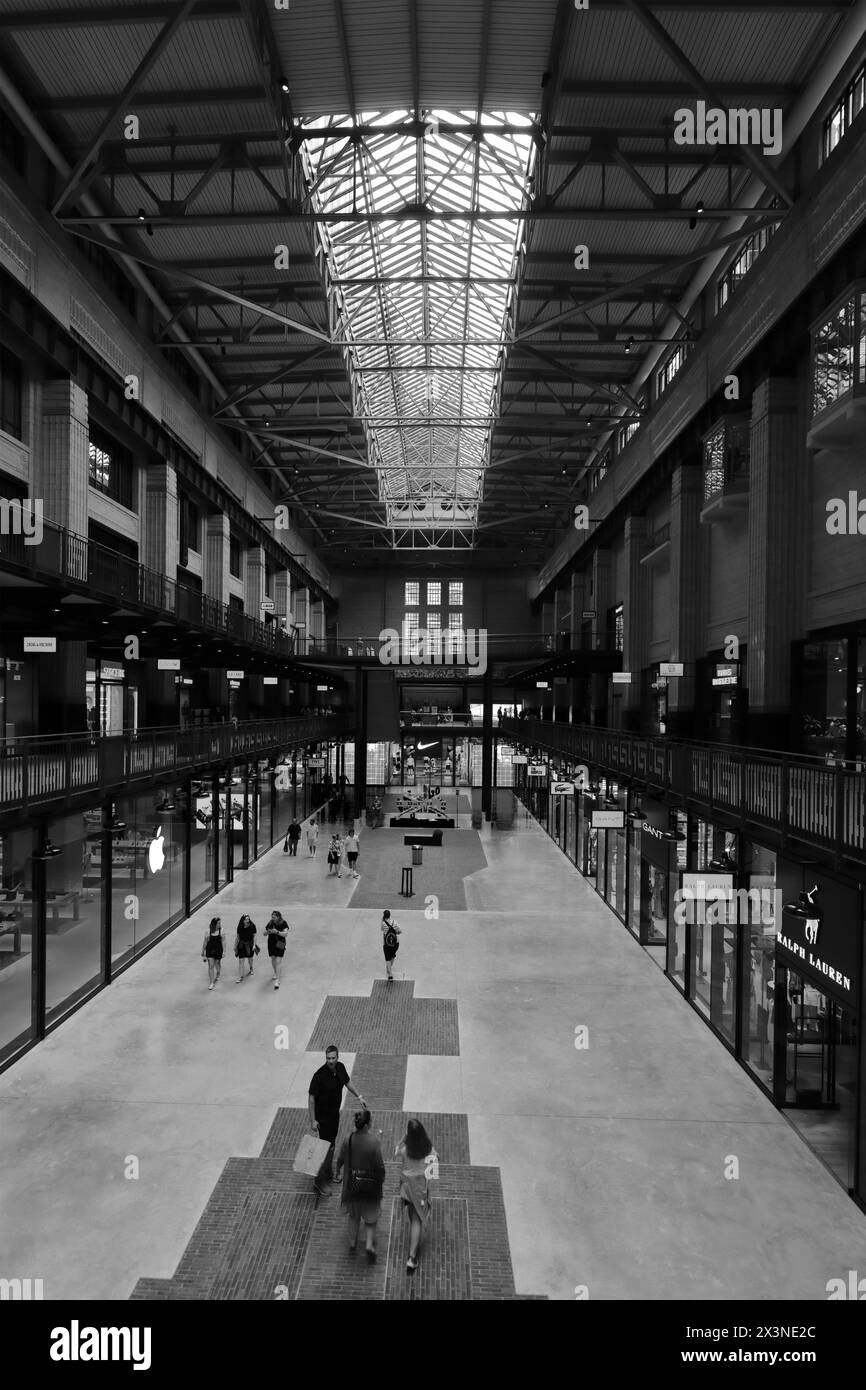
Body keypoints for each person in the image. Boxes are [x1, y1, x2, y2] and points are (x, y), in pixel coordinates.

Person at [308, 1046, 366, 1198]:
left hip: (334, 1115)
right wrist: (313, 1120)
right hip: (323, 1119)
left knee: (331, 1145)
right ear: (326, 1058)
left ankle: (327, 1172)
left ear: (337, 1057)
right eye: (328, 1058)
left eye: (333, 1058)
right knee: (325, 1149)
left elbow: (347, 1082)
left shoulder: (340, 1068)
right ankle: (319, 1181)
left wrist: (359, 1097)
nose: (331, 1061)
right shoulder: (319, 1076)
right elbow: (311, 1098)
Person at [335, 1109, 386, 1263]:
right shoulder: (374, 1142)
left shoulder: (348, 1139)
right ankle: (369, 1245)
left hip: (352, 1185)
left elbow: (341, 1158)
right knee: (371, 1218)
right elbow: (379, 1165)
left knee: (354, 1216)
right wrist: (381, 1177)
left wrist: (337, 1169)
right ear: (367, 1125)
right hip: (369, 1186)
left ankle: (352, 1242)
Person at [395, 1119, 438, 1272]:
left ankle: (412, 1256)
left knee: (412, 1216)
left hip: (406, 1189)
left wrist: (403, 1137)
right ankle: (412, 1258)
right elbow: (434, 1174)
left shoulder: (405, 1150)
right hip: (419, 1191)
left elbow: (396, 1150)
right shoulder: (430, 1151)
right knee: (417, 1220)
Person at [266, 910, 289, 989]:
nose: (272, 918)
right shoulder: (270, 922)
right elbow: (264, 933)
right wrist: (268, 932)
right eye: (272, 917)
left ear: (278, 917)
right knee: (273, 959)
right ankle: (276, 973)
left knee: (278, 961)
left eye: (274, 917)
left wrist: (277, 932)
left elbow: (285, 934)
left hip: (280, 944)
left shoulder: (283, 923)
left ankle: (277, 980)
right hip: (271, 944)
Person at [201, 916, 224, 989]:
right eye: (218, 923)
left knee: (217, 964)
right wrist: (203, 951)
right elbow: (205, 942)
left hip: (218, 950)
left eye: (220, 923)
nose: (220, 925)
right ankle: (211, 982)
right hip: (210, 950)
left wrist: (224, 951)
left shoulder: (222, 931)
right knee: (211, 965)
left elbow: (224, 942)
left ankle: (218, 972)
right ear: (214, 924)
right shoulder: (208, 931)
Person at [234, 913, 257, 982]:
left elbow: (255, 936)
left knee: (250, 959)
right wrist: (235, 946)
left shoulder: (252, 926)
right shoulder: (240, 927)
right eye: (246, 919)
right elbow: (237, 937)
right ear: (242, 920)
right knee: (241, 960)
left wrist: (254, 945)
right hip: (241, 945)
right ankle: (240, 976)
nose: (247, 920)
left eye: (248, 919)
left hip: (249, 945)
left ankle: (251, 967)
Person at [381, 909, 402, 981]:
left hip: (386, 944)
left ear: (384, 916)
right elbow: (400, 931)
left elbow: (382, 930)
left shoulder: (383, 923)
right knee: (392, 956)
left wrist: (382, 920)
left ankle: (390, 975)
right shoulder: (395, 922)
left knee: (387, 958)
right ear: (390, 915)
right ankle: (389, 968)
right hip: (395, 943)